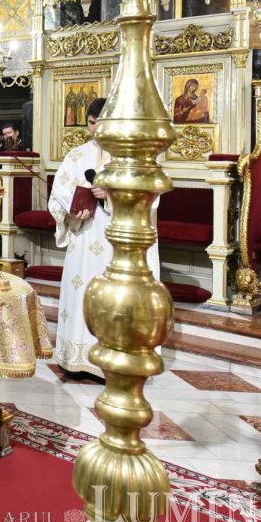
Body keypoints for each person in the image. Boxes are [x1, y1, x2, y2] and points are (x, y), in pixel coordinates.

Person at [49, 98, 159, 380]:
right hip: (84, 237)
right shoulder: (77, 155)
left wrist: (110, 196)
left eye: (102, 123)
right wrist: (74, 209)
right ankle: (76, 357)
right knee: (83, 291)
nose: (96, 129)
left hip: (117, 240)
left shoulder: (133, 155)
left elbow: (150, 198)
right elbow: (58, 193)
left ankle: (113, 361)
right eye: (91, 123)